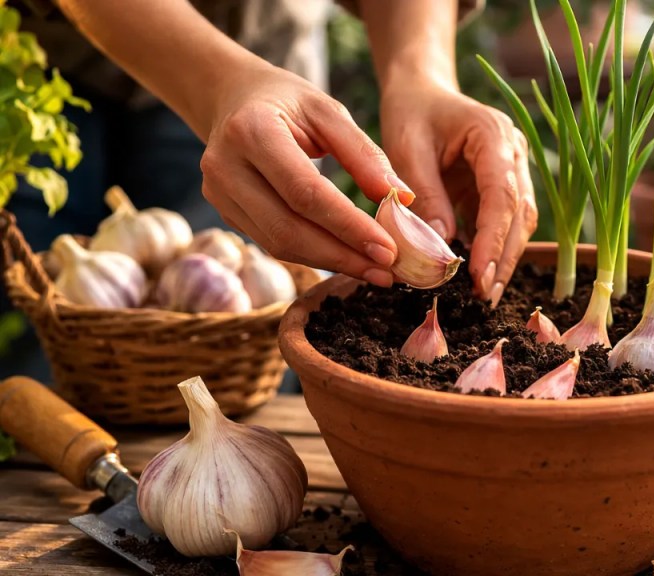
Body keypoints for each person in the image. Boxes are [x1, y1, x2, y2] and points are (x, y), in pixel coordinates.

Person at [0, 0, 537, 381]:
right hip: (48, 65)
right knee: (40, 341)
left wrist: (421, 76)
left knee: (239, 352)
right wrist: (217, 82)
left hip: (267, 69)